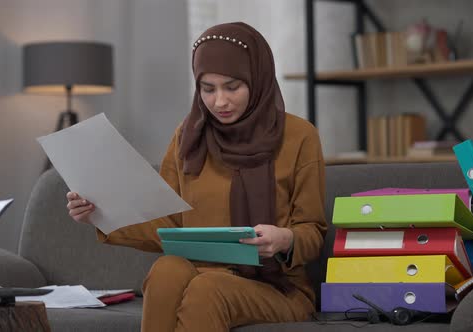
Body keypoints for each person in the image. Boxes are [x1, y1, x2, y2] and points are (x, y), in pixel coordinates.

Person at [65, 22, 327, 332]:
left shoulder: (300, 137)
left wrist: (286, 239)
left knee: (208, 289)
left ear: (258, 80)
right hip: (199, 273)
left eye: (232, 87)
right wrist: (100, 213)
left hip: (278, 286)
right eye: (208, 88)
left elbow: (313, 230)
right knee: (167, 269)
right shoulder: (188, 137)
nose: (220, 102)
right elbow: (165, 224)